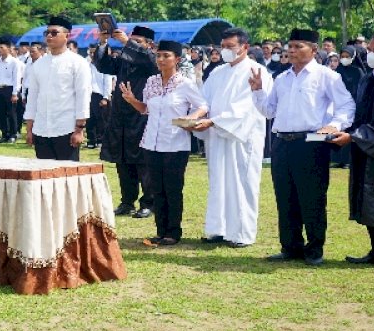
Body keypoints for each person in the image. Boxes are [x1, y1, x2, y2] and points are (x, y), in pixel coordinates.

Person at [250, 28, 355, 265]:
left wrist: (334, 125)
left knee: (312, 197)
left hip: (310, 143)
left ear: (314, 49)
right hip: (282, 143)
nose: (292, 50)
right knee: (285, 197)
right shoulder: (282, 78)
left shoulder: (326, 75)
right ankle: (290, 246)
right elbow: (269, 111)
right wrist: (257, 91)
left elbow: (346, 106)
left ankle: (314, 248)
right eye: (291, 45)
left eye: (299, 46)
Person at [119, 40, 208, 246]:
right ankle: (160, 231)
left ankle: (173, 232)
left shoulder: (185, 83)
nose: (161, 60)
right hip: (151, 142)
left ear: (177, 59)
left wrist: (190, 118)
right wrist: (132, 100)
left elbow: (203, 105)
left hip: (175, 143)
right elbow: (146, 110)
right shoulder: (151, 82)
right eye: (158, 56)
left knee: (172, 188)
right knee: (155, 189)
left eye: (166, 56)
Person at [194, 28, 273, 248]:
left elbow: (247, 107)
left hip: (242, 136)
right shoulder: (218, 73)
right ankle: (217, 228)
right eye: (223, 46)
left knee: (242, 182)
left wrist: (215, 121)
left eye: (230, 47)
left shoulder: (257, 71)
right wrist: (196, 116)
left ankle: (242, 233)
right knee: (218, 180)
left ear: (244, 47)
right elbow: (204, 101)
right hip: (218, 136)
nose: (225, 50)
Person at [95, 25, 159, 218]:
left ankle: (149, 202)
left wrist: (126, 42)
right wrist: (103, 42)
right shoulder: (125, 59)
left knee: (143, 161)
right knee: (122, 159)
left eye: (138, 42)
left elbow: (149, 61)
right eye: (133, 40)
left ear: (150, 45)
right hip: (120, 115)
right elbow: (104, 65)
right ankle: (127, 201)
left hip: (141, 114)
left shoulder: (152, 60)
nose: (133, 45)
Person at [331, 32, 374, 265]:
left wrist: (353, 136)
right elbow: (357, 113)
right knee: (368, 200)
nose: (372, 55)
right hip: (366, 148)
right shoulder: (367, 79)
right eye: (371, 50)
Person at [24, 15, 91, 161]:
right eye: (47, 33)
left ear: (67, 35)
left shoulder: (78, 63)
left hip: (66, 129)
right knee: (43, 178)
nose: (49, 36)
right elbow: (32, 98)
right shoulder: (38, 65)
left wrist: (79, 129)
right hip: (41, 129)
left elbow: (83, 96)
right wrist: (29, 129)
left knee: (67, 179)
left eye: (54, 33)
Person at [331, 46, 367, 168]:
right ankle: (339, 159)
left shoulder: (358, 72)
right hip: (340, 106)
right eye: (343, 56)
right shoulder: (338, 71)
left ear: (353, 57)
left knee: (350, 133)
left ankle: (349, 160)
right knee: (340, 131)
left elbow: (361, 89)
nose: (345, 59)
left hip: (355, 105)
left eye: (347, 56)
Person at [0, 40, 21, 143]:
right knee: (1, 113)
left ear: (8, 48)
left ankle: (13, 134)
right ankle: (5, 134)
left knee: (11, 113)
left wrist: (15, 93)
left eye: (2, 48)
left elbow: (16, 78)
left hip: (9, 88)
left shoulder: (14, 61)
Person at [86, 44, 112, 149]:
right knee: (89, 119)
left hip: (99, 94)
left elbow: (108, 81)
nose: (92, 54)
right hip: (87, 94)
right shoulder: (85, 63)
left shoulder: (104, 64)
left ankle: (102, 140)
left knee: (101, 119)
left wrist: (106, 97)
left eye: (94, 52)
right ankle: (91, 140)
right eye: (90, 52)